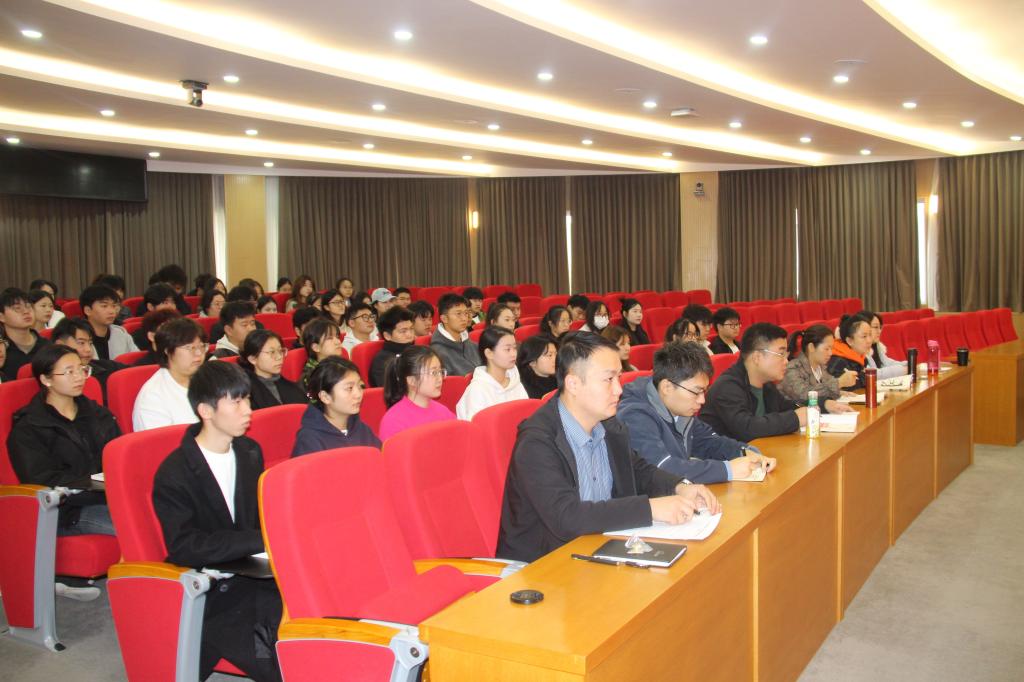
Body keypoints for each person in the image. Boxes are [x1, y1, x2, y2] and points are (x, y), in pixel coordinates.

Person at [497, 332, 721, 563]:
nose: (618, 389)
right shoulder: (538, 441)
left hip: (599, 546)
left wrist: (679, 486)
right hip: (545, 563)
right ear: (573, 384)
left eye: (619, 378)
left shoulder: (609, 425)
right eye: (608, 379)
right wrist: (650, 508)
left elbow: (638, 470)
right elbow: (566, 517)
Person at [151, 361, 282, 682]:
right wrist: (262, 539)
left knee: (317, 630)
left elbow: (258, 514)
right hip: (214, 592)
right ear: (206, 411)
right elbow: (185, 546)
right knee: (278, 660)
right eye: (236, 402)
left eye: (247, 399)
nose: (248, 410)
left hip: (256, 576)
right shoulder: (175, 472)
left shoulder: (249, 451)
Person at [617, 341, 776, 484]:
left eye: (704, 391)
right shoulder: (634, 415)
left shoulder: (680, 409)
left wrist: (746, 452)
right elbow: (661, 468)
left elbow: (709, 442)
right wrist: (728, 470)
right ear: (667, 387)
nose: (702, 400)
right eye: (696, 392)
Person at [8, 344, 120, 535]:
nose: (79, 377)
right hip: (69, 511)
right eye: (69, 372)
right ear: (46, 379)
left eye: (82, 369)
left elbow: (117, 453)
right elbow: (42, 481)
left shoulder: (97, 413)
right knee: (141, 530)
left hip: (112, 497)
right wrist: (93, 484)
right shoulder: (30, 428)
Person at [699, 322, 807, 441]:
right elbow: (747, 428)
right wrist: (795, 418)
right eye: (781, 354)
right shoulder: (727, 387)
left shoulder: (766, 384)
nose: (786, 361)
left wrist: (818, 405)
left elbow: (786, 407)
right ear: (757, 357)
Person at [291, 358, 381, 455]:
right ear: (325, 397)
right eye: (349, 388)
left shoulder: (361, 428)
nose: (358, 394)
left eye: (360, 386)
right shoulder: (309, 440)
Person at [132, 318, 206, 431]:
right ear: (167, 350)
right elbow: (162, 441)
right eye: (189, 347)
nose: (198, 353)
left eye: (201, 346)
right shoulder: (152, 398)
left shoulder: (209, 379)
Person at [379, 346, 455, 440]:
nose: (440, 379)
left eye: (441, 371)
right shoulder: (394, 421)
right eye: (434, 373)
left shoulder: (443, 412)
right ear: (412, 380)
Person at [780, 324, 859, 412]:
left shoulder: (821, 368)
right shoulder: (792, 369)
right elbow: (804, 396)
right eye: (826, 349)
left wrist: (839, 392)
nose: (830, 353)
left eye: (831, 348)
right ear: (811, 347)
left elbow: (825, 390)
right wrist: (839, 383)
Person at [456, 326, 529, 420]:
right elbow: (477, 425)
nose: (513, 354)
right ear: (489, 353)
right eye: (507, 349)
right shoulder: (477, 390)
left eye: (514, 348)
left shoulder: (515, 381)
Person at [50, 317, 126, 394]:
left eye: (90, 343)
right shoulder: (53, 379)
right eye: (81, 343)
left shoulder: (105, 368)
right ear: (60, 345)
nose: (88, 349)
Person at [238, 330, 306, 410]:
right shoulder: (244, 392)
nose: (279, 357)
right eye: (272, 352)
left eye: (280, 351)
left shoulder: (290, 385)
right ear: (253, 359)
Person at [1, 287, 50, 380]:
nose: (26, 311)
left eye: (28, 306)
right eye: (17, 308)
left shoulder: (47, 346)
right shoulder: (2, 351)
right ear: (2, 317)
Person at [80, 284, 137, 361]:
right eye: (104, 306)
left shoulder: (121, 334)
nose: (112, 311)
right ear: (88, 310)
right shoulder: (78, 339)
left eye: (114, 306)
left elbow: (136, 360)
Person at [430, 293, 481, 376]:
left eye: (466, 313)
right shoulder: (439, 353)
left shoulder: (472, 345)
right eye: (458, 314)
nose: (464, 318)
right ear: (444, 318)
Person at [370, 307, 416, 388]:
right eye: (403, 331)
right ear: (387, 336)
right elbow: (390, 391)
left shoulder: (416, 351)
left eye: (411, 329)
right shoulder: (383, 361)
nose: (409, 334)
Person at [826, 314, 875, 390]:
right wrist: (864, 377)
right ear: (850, 341)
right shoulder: (837, 361)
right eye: (864, 336)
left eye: (870, 335)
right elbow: (838, 388)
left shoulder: (863, 358)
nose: (869, 341)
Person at [859, 310, 908, 379]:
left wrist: (908, 364)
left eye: (880, 327)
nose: (879, 331)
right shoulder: (858, 348)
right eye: (876, 327)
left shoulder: (876, 345)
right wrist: (903, 370)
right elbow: (872, 374)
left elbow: (886, 362)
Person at [299, 317, 344, 387]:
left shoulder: (341, 364)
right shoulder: (313, 376)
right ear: (316, 347)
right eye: (329, 338)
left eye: (337, 337)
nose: (338, 342)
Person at [517, 334, 558, 399]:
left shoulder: (560, 379)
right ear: (532, 362)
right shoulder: (523, 389)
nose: (555, 359)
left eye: (556, 354)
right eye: (549, 355)